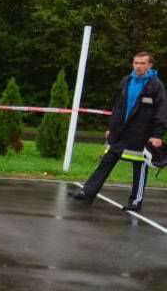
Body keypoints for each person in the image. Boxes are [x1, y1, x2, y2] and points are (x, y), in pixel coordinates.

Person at [70, 51, 166, 211]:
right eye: (136, 63)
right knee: (106, 162)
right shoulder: (126, 81)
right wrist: (111, 128)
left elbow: (161, 112)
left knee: (140, 167)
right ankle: (87, 192)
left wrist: (157, 135)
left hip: (142, 135)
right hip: (120, 132)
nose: (138, 66)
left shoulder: (156, 86)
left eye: (142, 63)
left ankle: (135, 202)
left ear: (150, 65)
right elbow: (118, 107)